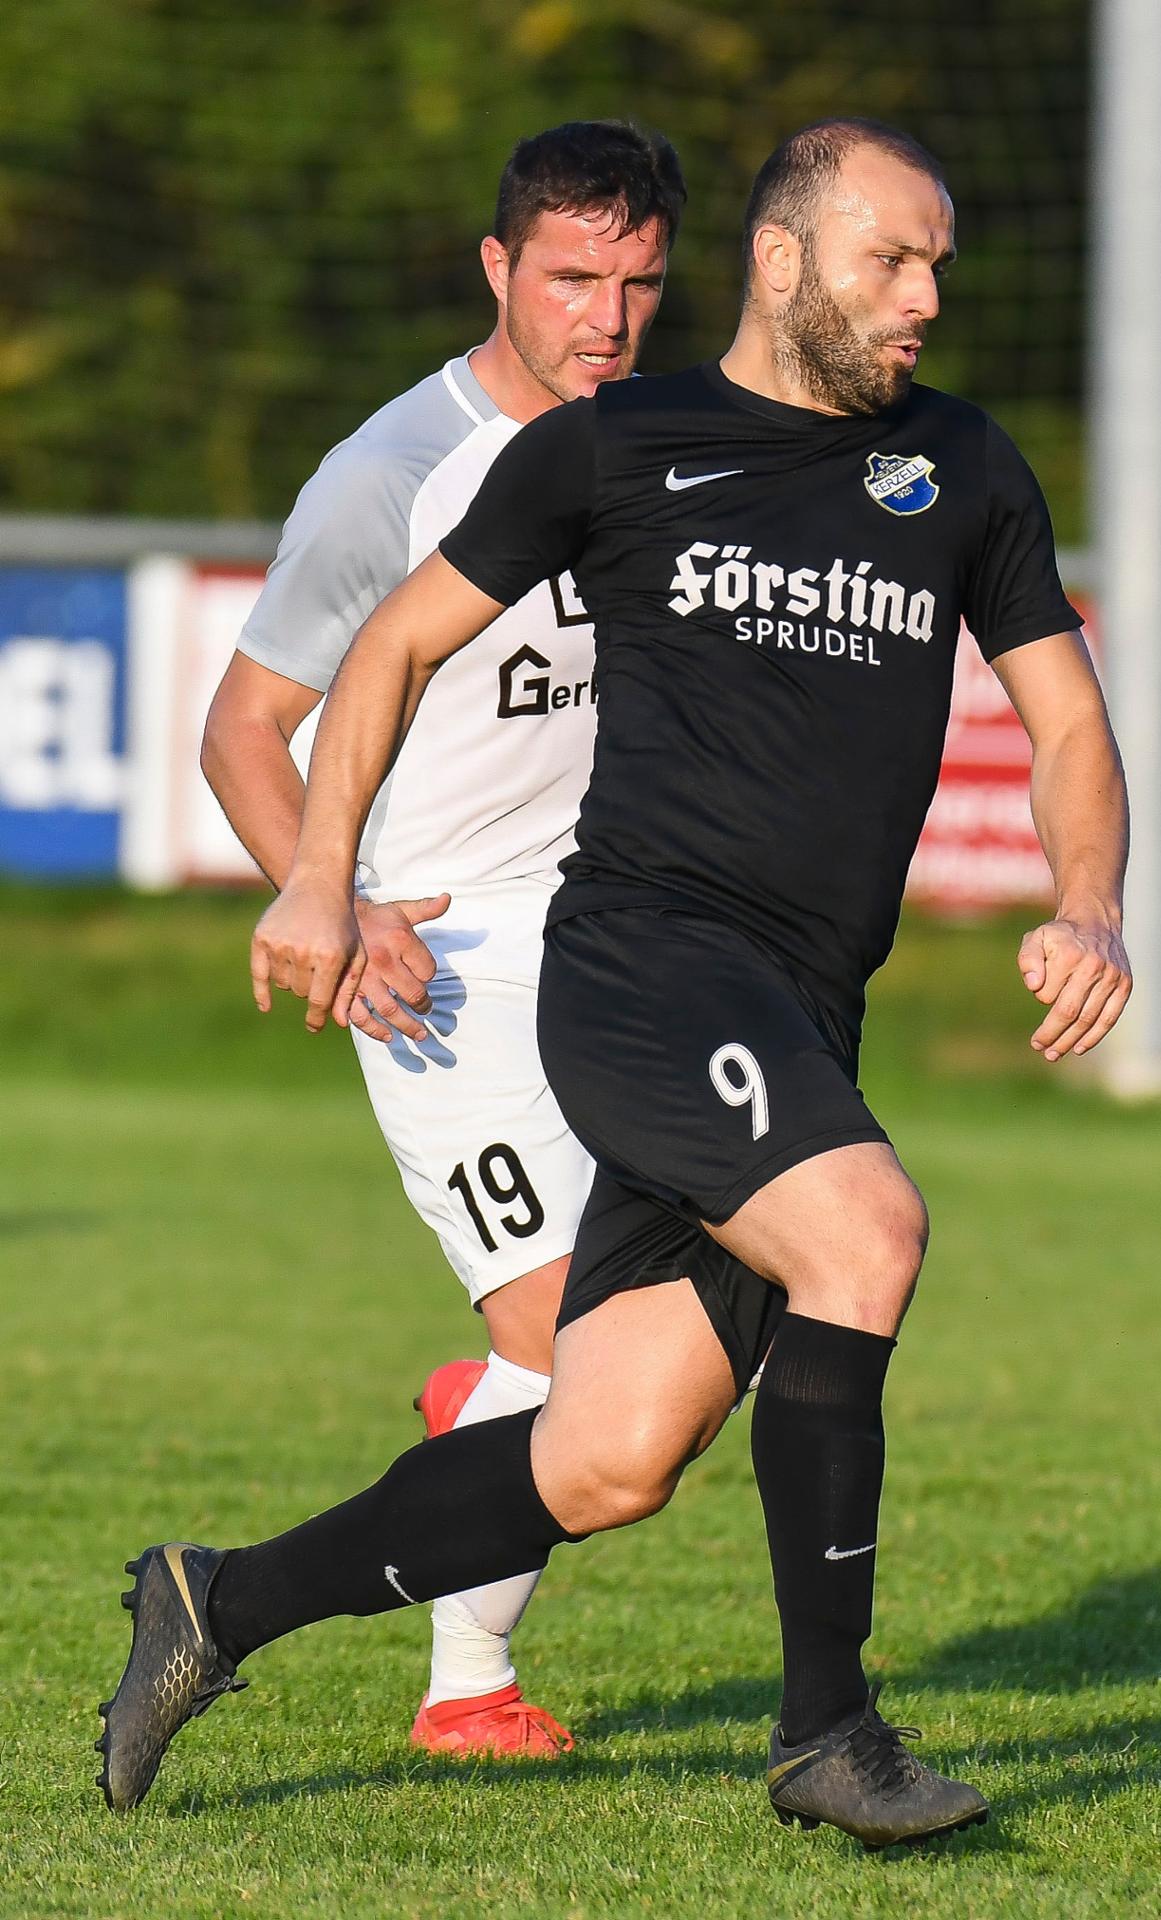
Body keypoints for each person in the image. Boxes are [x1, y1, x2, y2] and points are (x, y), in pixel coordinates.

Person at [99, 117, 1131, 1849]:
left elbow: (1071, 722)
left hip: (801, 1003)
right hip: (646, 970)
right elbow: (390, 647)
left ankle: (217, 1602)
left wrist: (1089, 903)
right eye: (893, 260)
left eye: (939, 265)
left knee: (610, 1453)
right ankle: (829, 1737)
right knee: (866, 1234)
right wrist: (318, 876)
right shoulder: (610, 447)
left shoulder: (962, 466)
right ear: (785, 261)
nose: (927, 299)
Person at [198, 121, 685, 1756]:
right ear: (497, 267)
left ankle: (471, 1604)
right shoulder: (395, 474)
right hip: (445, 968)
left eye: (638, 282)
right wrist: (330, 902)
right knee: (579, 1354)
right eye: (571, 279)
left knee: (689, 1358)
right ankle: (464, 1679)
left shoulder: (668, 446)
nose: (606, 319)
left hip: (621, 945)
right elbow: (242, 728)